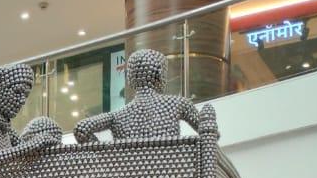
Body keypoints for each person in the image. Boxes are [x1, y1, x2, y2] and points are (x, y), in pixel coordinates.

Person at [71, 48, 213, 143]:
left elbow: (82, 129)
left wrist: (108, 156)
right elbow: (210, 133)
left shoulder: (117, 116)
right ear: (159, 74)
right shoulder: (178, 103)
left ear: (130, 78)